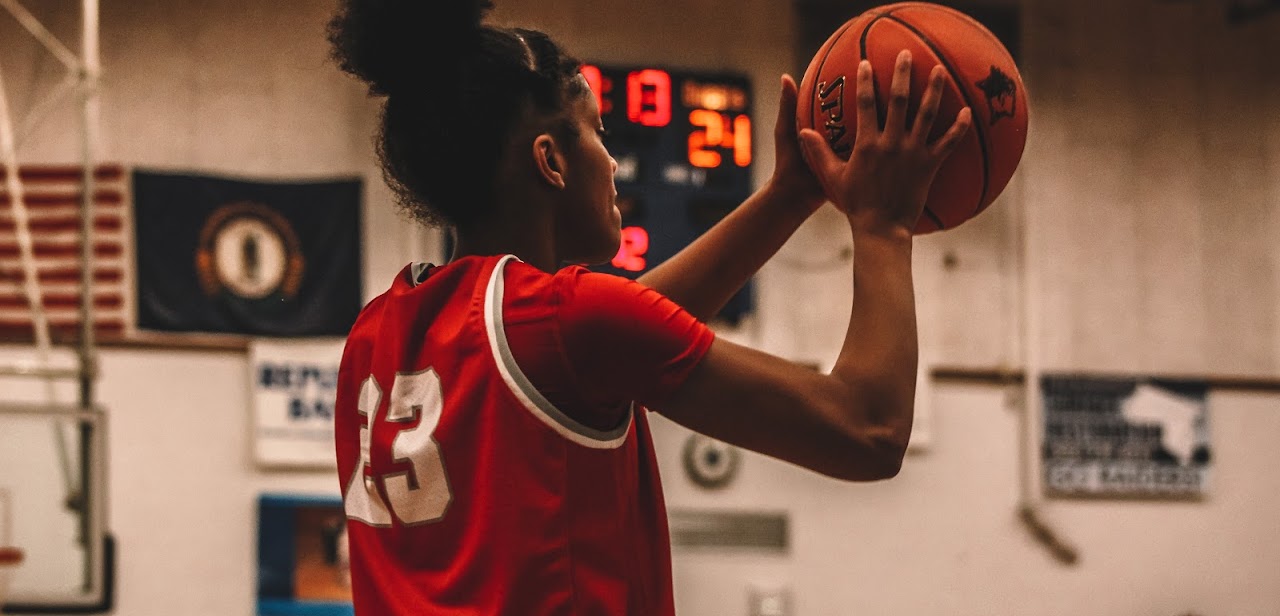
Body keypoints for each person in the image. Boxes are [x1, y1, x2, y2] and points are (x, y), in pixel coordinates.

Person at [328, 1, 972, 614]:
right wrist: (884, 225)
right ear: (550, 161)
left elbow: (619, 331)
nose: (612, 161)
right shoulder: (566, 324)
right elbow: (868, 431)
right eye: (597, 133)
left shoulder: (378, 330)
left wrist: (789, 196)